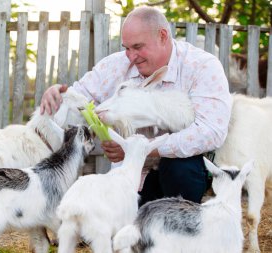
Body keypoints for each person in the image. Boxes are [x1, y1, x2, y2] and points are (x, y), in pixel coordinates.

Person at [40, 6, 232, 206]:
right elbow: (80, 99)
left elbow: (211, 132)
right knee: (123, 227)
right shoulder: (116, 65)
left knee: (180, 169)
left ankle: (179, 227)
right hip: (132, 174)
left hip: (182, 172)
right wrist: (59, 96)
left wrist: (140, 149)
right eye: (127, 48)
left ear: (163, 36)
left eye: (138, 47)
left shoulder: (202, 66)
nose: (131, 57)